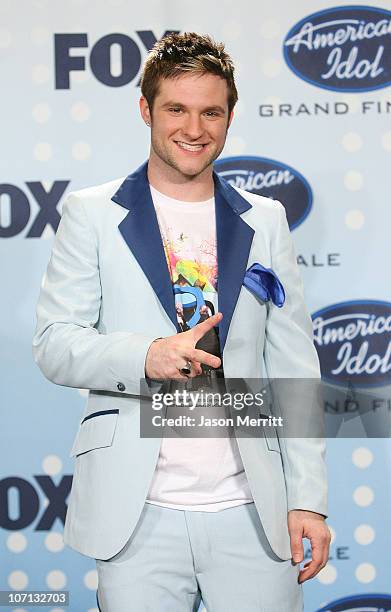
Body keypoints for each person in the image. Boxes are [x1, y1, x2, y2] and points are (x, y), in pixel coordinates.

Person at [33, 32, 330, 612]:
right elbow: (54, 344)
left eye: (210, 112)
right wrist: (145, 355)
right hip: (137, 512)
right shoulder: (92, 214)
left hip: (254, 511)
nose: (194, 129)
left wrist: (310, 500)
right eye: (176, 109)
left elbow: (294, 364)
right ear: (146, 110)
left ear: (229, 116)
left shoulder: (265, 219)